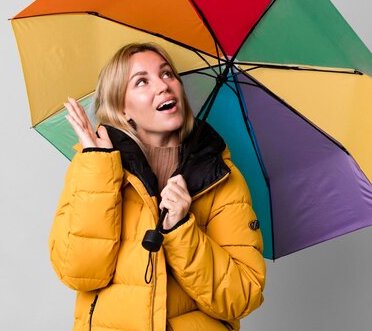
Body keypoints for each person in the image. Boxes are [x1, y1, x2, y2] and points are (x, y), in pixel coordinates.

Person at [49, 43, 266, 330]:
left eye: (167, 74)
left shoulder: (222, 178)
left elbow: (242, 297)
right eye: (142, 81)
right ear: (122, 108)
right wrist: (99, 170)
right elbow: (78, 272)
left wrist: (181, 228)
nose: (163, 86)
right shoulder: (92, 167)